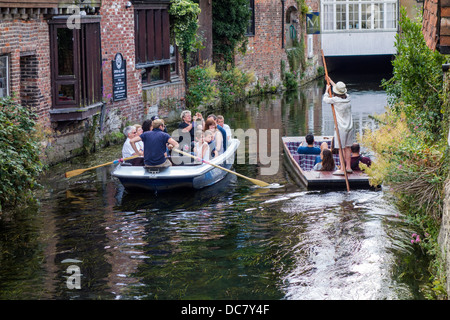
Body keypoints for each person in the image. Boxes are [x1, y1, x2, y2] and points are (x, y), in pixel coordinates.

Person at [323, 77, 354, 174]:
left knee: (341, 148)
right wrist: (331, 81)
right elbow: (339, 90)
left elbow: (325, 99)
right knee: (348, 147)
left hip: (341, 128)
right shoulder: (348, 98)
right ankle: (348, 167)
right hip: (350, 126)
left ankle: (342, 169)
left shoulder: (335, 100)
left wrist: (327, 90)